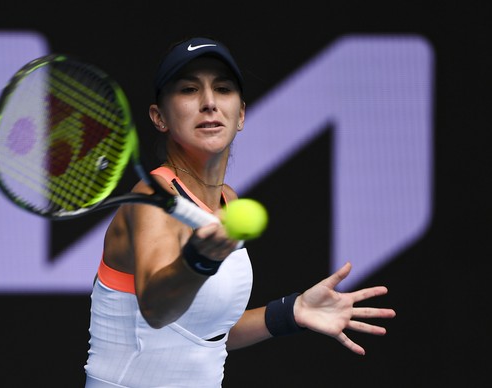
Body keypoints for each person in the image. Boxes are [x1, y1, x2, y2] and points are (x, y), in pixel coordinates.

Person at [83, 36, 396, 388]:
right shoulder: (152, 200)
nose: (209, 103)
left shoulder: (227, 200)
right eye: (188, 90)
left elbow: (206, 332)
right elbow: (157, 310)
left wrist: (292, 312)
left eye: (222, 89)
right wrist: (197, 261)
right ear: (160, 118)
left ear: (241, 113)